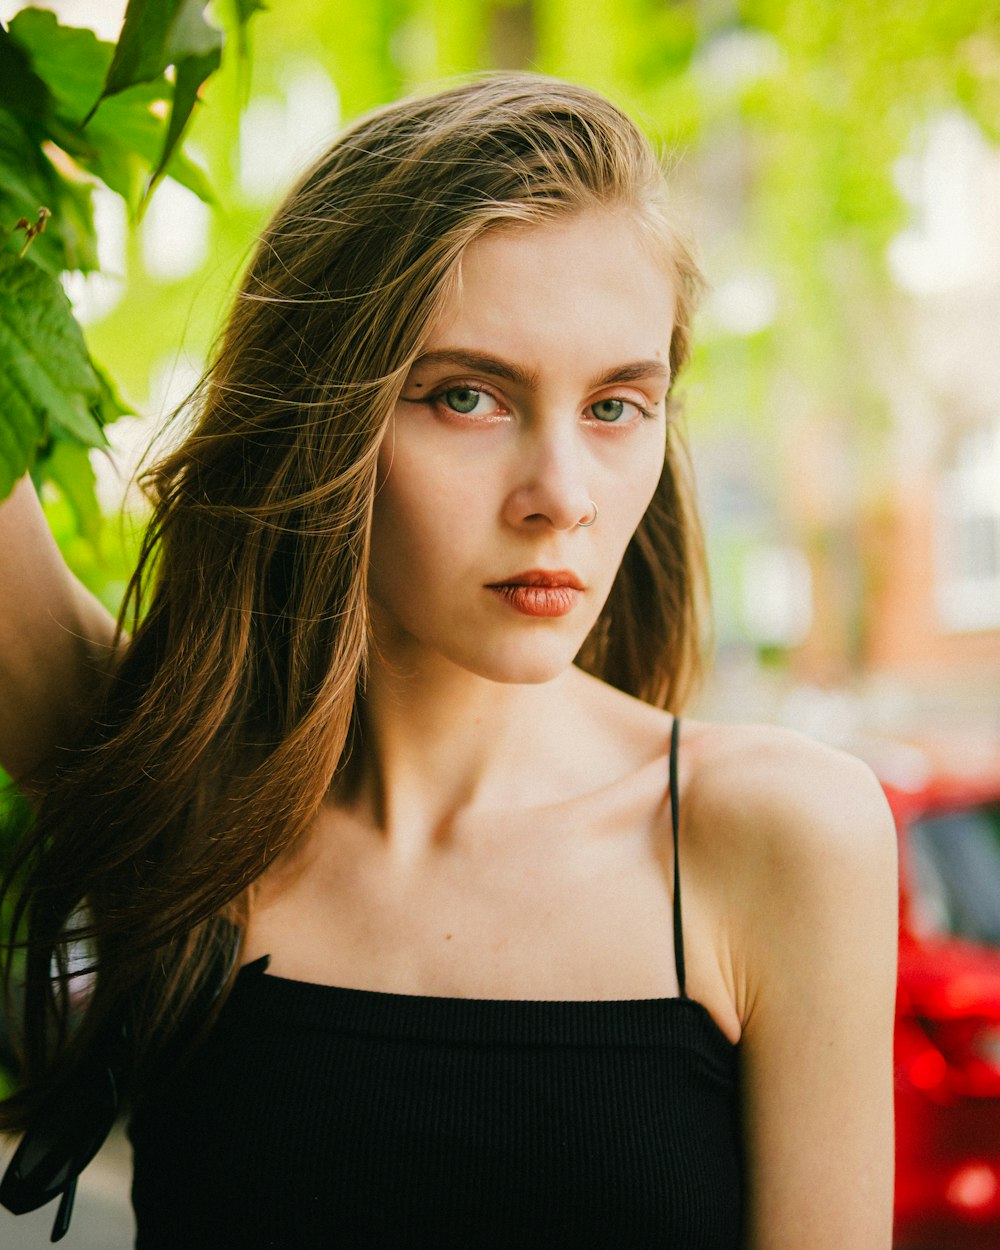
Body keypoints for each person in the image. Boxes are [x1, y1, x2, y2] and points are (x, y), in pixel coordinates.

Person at [0, 73, 897, 1248]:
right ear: (323, 416)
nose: (559, 499)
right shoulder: (185, 788)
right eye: (467, 396)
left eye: (615, 406)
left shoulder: (775, 837)